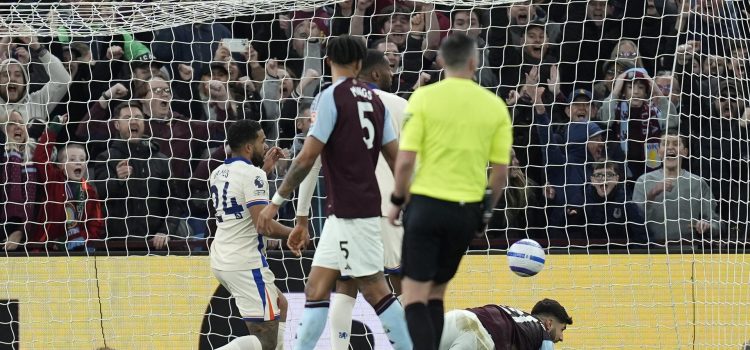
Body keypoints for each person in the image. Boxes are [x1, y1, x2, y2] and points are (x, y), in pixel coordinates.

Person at [255, 35, 411, 350]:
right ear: (359, 64)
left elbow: (307, 158)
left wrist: (275, 203)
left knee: (375, 289)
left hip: (356, 212)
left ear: (328, 62)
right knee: (315, 288)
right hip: (344, 212)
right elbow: (397, 159)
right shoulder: (376, 101)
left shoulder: (330, 97)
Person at [388, 33, 512, 350]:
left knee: (414, 294)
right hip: (466, 211)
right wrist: (485, 213)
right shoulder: (495, 106)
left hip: (426, 207)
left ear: (441, 61)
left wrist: (397, 200)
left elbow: (404, 162)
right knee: (437, 293)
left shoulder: (423, 98)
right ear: (474, 62)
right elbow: (500, 174)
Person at [208, 120, 293, 350]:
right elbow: (262, 225)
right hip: (245, 263)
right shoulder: (253, 176)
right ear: (248, 147)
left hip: (222, 256)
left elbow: (241, 196)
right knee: (267, 341)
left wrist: (264, 170)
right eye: (262, 141)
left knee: (281, 305)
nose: (266, 146)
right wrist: (293, 233)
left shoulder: (217, 173)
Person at [92, 102, 176, 249]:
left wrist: (165, 231)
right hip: (117, 245)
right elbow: (100, 195)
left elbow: (174, 204)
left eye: (138, 117)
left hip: (155, 244)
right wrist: (118, 180)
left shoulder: (161, 160)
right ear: (117, 125)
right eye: (127, 117)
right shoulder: (105, 158)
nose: (133, 121)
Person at [632, 131, 722, 243]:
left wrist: (707, 226)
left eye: (675, 144)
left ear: (685, 152)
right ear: (659, 152)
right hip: (651, 251)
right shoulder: (643, 181)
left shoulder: (697, 183)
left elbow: (717, 224)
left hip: (688, 251)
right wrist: (652, 194)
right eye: (665, 144)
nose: (670, 148)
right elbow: (633, 223)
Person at [30, 114, 103, 251]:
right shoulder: (53, 180)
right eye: (73, 159)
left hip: (77, 251)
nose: (78, 162)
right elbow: (40, 157)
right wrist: (53, 130)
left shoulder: (90, 192)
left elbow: (96, 225)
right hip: (45, 248)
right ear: (61, 165)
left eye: (82, 159)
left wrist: (82, 238)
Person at [439, 299, 573, 350]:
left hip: (458, 317)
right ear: (549, 324)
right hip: (481, 338)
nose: (561, 338)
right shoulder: (544, 334)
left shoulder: (516, 315)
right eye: (562, 329)